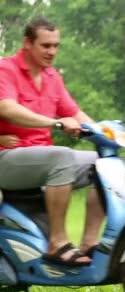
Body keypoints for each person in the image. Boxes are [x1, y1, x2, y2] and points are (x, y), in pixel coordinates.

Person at [0, 17, 104, 267]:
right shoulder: (6, 70)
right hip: (7, 157)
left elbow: (75, 113)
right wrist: (56, 122)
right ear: (27, 43)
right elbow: (7, 109)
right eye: (46, 46)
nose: (52, 52)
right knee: (62, 156)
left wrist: (105, 133)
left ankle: (90, 243)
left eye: (56, 45)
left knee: (102, 162)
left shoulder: (52, 77)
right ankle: (57, 242)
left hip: (40, 158)